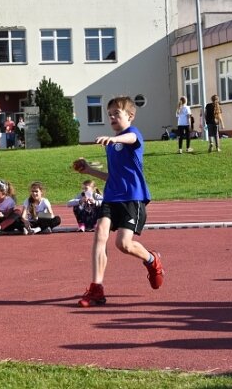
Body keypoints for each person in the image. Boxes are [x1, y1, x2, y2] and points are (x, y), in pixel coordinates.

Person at [73, 96, 164, 308]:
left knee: (123, 244)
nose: (112, 117)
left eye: (117, 113)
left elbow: (131, 138)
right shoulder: (111, 145)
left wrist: (114, 139)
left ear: (130, 116)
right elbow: (113, 176)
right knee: (100, 233)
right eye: (110, 114)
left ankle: (152, 260)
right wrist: (89, 171)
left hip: (133, 197)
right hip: (111, 197)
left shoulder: (133, 135)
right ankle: (96, 288)